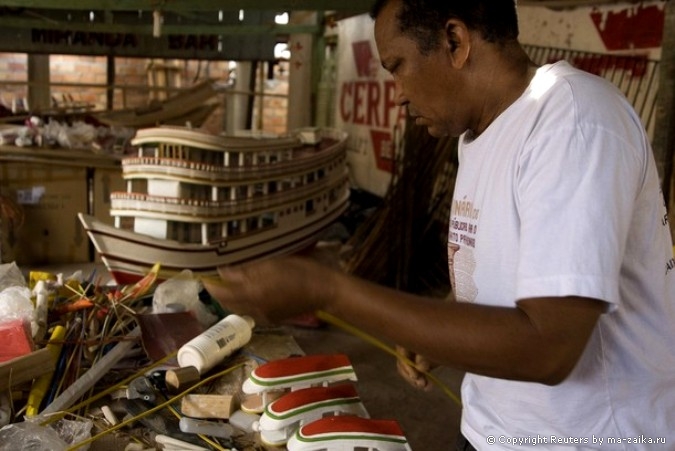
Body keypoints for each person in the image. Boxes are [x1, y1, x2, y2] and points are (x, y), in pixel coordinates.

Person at [204, 0, 675, 449]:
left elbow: (547, 347)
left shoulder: (572, 120)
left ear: (455, 41)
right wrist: (438, 332)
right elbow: (499, 276)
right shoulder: (478, 135)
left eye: (398, 66)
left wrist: (330, 291)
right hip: (489, 429)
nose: (400, 93)